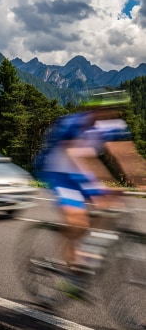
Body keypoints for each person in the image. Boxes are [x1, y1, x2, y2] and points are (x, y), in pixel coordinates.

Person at [37, 90, 145, 295]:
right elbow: (80, 157)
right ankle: (71, 272)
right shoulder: (75, 124)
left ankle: (87, 256)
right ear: (91, 109)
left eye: (113, 111)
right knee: (78, 220)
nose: (108, 115)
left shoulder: (115, 125)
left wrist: (141, 180)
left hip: (80, 171)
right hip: (58, 171)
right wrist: (107, 186)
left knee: (109, 210)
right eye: (102, 111)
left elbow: (126, 156)